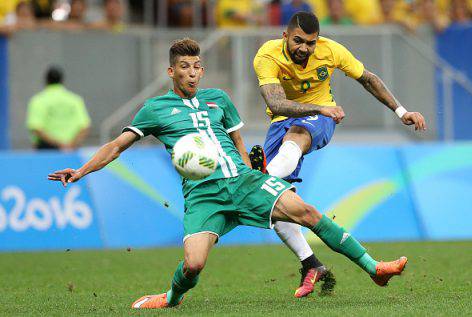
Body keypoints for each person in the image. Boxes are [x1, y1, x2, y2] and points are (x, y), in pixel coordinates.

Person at [48, 38, 408, 309]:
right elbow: (116, 146)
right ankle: (172, 297)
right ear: (171, 72)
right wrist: (81, 171)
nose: (192, 72)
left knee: (308, 213)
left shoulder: (219, 99)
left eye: (197, 66)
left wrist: (252, 172)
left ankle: (374, 268)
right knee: (193, 265)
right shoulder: (154, 109)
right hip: (203, 195)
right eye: (184, 67)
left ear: (201, 70)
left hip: (242, 180)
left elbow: (237, 141)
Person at [251, 11, 426, 298]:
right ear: (285, 36)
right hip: (284, 120)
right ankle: (311, 263)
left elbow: (367, 78)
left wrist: (402, 111)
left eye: (311, 43)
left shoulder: (331, 51)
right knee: (277, 203)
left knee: (296, 138)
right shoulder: (267, 55)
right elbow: (276, 103)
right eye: (298, 41)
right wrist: (318, 109)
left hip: (320, 118)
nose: (305, 49)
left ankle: (263, 178)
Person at [26, 66, 91, 150]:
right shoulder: (75, 100)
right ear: (62, 80)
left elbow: (35, 128)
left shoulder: (38, 100)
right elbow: (85, 126)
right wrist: (70, 145)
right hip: (71, 151)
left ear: (46, 80)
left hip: (46, 151)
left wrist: (58, 145)